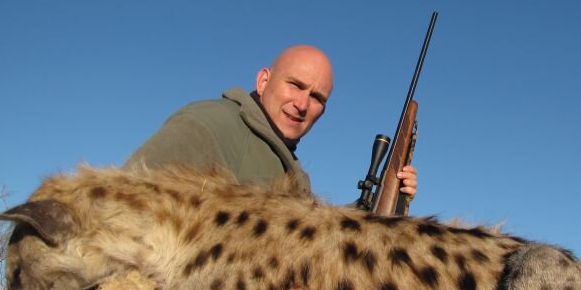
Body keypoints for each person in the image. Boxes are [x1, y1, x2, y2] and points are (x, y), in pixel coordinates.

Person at [126, 44, 418, 201]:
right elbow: (118, 200)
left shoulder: (294, 171)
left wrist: (376, 203)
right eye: (295, 85)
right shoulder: (211, 123)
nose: (302, 104)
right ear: (263, 81)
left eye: (317, 98)